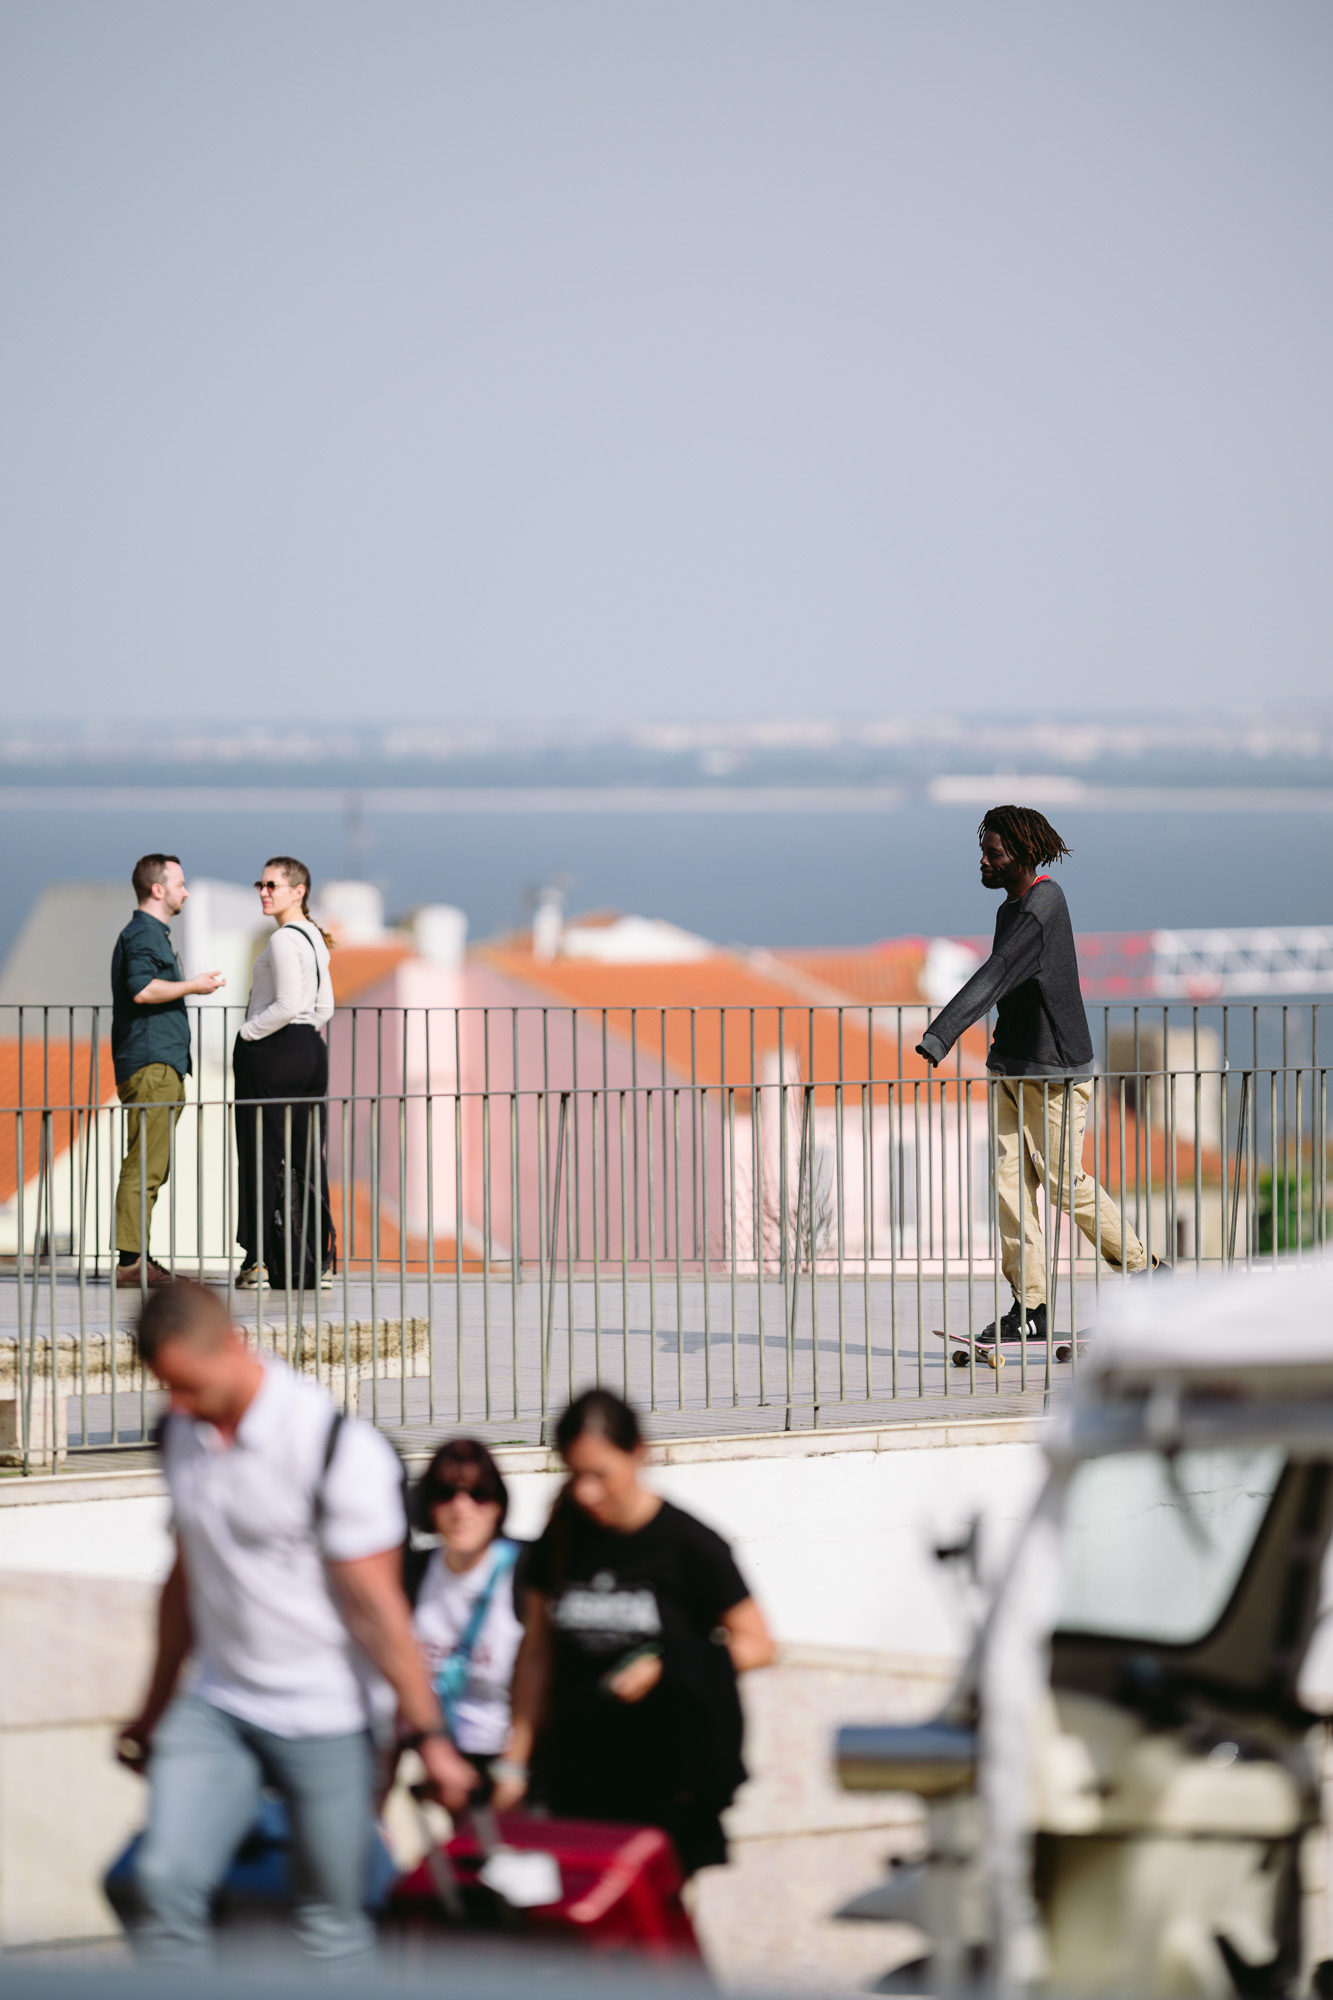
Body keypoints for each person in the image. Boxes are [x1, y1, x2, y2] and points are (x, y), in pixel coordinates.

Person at [118, 1279, 477, 1966]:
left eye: (189, 1386)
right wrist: (153, 1709)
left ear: (232, 1344)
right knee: (161, 1884)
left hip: (327, 1717)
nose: (178, 1405)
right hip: (220, 1704)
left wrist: (429, 1735)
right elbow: (184, 1581)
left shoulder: (331, 1448)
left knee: (330, 1925)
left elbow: (377, 1612)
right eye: (166, 1389)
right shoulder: (183, 1436)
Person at [495, 1389, 774, 1876]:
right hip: (576, 1773)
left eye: (600, 1474)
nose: (586, 1492)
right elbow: (537, 1653)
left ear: (638, 1452)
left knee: (654, 1934)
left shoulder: (689, 1545)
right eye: (575, 1474)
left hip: (665, 1778)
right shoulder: (560, 1540)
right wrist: (514, 1764)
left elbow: (758, 1643)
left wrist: (669, 1666)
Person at [914, 805, 1152, 1346]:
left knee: (1063, 1183)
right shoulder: (1011, 909)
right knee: (1009, 1187)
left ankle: (1145, 1274)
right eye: (984, 851)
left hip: (1056, 1072)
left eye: (993, 854)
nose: (983, 861)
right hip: (1011, 1067)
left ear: (1020, 855)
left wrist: (940, 1035)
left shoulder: (1044, 904)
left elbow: (994, 975)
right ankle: (1031, 1306)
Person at [111, 856, 225, 1291]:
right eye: (180, 882)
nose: (186, 890)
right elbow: (141, 989)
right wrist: (192, 986)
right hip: (152, 1064)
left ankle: (136, 1256)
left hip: (159, 1064)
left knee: (151, 1164)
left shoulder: (148, 933)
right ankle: (131, 1263)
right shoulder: (142, 933)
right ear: (157, 889)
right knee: (145, 1165)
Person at [233, 857, 335, 1292]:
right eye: (261, 884)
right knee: (307, 1153)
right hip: (311, 1048)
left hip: (274, 1049)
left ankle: (259, 1260)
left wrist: (247, 1032)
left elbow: (287, 1004)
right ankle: (313, 1259)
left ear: (299, 891)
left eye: (273, 885)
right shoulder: (315, 938)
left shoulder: (281, 941)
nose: (264, 892)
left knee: (260, 1151)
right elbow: (323, 1007)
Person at [408, 1438, 525, 1784]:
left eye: (479, 1494)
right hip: (431, 1760)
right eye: (445, 1493)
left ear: (498, 1505)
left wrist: (514, 1767)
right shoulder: (412, 1574)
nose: (461, 1508)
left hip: (508, 1764)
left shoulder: (524, 1573)